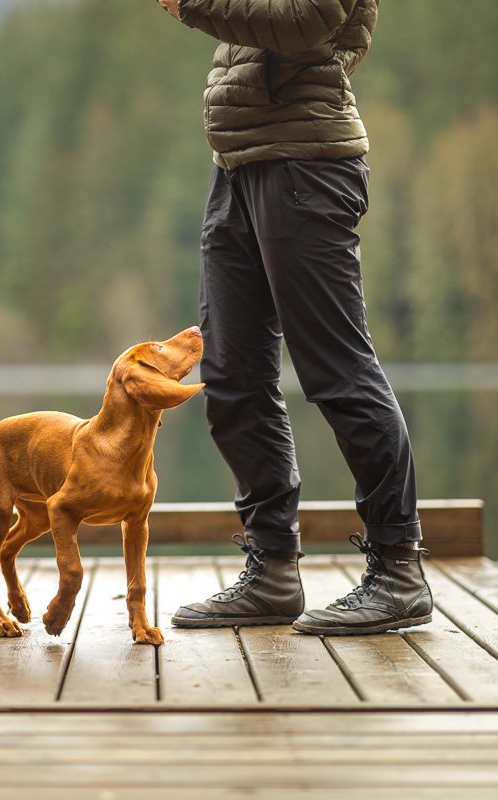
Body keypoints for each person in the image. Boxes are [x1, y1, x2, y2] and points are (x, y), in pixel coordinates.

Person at [154, 0, 433, 635]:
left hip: (307, 162)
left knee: (337, 370)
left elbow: (306, 21)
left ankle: (399, 569)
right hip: (238, 164)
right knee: (231, 376)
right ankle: (273, 569)